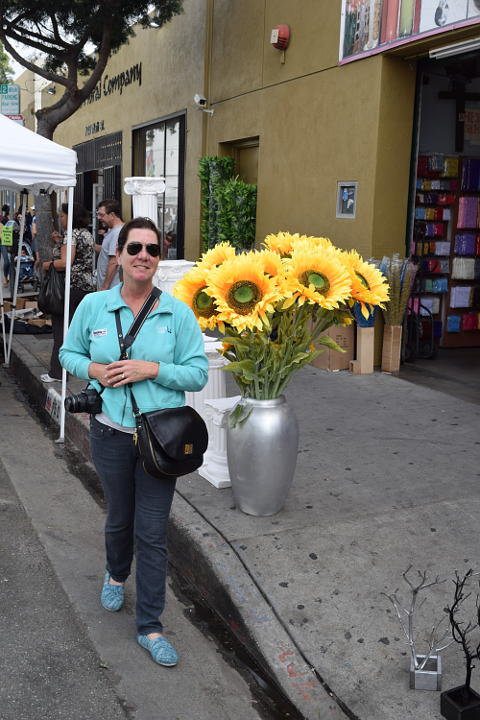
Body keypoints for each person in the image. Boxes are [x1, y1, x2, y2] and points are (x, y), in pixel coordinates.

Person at [59, 217, 208, 667]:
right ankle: (115, 573)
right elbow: (68, 353)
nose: (144, 255)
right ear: (118, 254)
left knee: (153, 531)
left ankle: (150, 625)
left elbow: (199, 372)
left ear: (158, 259)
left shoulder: (177, 313)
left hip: (159, 441)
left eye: (153, 249)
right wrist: (94, 371)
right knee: (119, 520)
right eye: (135, 247)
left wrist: (152, 370)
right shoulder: (92, 306)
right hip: (108, 433)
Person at [40, 202, 94, 383]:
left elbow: (66, 262)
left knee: (61, 330)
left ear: (70, 217)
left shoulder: (71, 234)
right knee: (79, 330)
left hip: (69, 288)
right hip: (85, 287)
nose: (60, 219)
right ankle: (79, 367)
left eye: (61, 216)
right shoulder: (87, 234)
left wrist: (47, 265)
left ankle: (58, 372)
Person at [95, 199, 124, 291]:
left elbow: (114, 261)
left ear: (112, 215)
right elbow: (105, 251)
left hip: (111, 289)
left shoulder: (117, 233)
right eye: (98, 214)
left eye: (101, 215)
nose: (98, 218)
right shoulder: (113, 231)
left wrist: (104, 287)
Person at [1, 205, 10, 287]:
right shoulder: (3, 220)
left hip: (13, 244)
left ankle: (10, 276)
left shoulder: (15, 220)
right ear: (9, 211)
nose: (15, 211)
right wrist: (7, 238)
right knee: (6, 262)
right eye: (13, 210)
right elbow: (0, 234)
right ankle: (5, 277)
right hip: (4, 243)